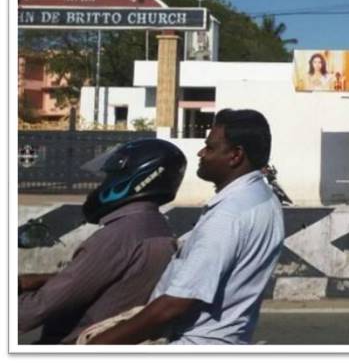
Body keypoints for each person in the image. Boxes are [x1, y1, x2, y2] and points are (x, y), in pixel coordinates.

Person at [88, 109, 285, 345]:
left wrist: (98, 345)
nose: (201, 153)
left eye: (210, 147)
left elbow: (173, 305)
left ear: (235, 155)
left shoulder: (228, 215)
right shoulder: (263, 198)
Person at [19, 139, 186, 344]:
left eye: (110, 177)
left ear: (136, 178)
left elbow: (39, 308)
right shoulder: (159, 228)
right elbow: (97, 278)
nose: (102, 185)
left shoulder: (119, 235)